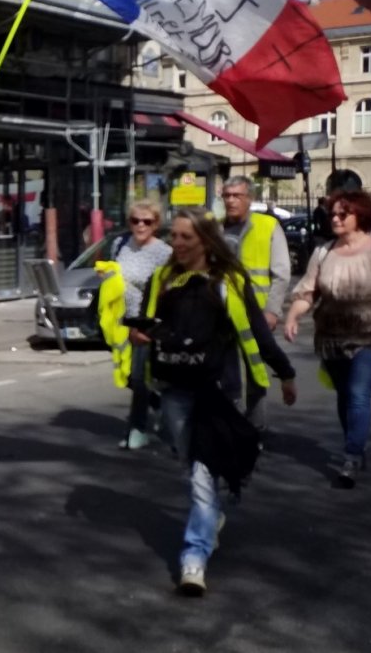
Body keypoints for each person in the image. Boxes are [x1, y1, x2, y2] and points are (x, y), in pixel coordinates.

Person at [130, 207, 296, 595]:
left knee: (203, 478)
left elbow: (257, 332)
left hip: (217, 391)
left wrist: (284, 373)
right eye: (174, 237)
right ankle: (211, 517)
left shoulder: (229, 282)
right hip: (173, 387)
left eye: (186, 237)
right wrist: (142, 336)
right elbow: (147, 322)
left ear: (205, 240)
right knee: (189, 463)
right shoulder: (164, 279)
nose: (177, 243)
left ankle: (194, 558)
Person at [284, 189, 371, 489]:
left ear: (360, 216)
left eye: (343, 214)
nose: (335, 218)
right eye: (332, 213)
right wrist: (293, 316)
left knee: (358, 393)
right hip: (332, 339)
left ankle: (352, 456)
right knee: (346, 397)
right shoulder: (324, 252)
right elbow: (308, 291)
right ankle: (355, 443)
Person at [221, 176, 291, 432]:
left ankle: (255, 428)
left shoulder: (268, 226)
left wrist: (272, 310)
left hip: (257, 313)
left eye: (236, 195)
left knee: (255, 372)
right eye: (227, 196)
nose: (231, 201)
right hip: (224, 313)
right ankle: (232, 426)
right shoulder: (217, 229)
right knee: (226, 374)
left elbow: (282, 273)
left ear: (249, 198)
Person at [112, 199, 172, 449]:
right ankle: (163, 408)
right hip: (120, 322)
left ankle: (136, 430)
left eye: (147, 221)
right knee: (126, 375)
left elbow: (167, 292)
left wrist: (154, 328)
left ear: (156, 223)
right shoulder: (120, 245)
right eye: (135, 220)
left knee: (139, 377)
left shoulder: (164, 253)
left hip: (147, 323)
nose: (140, 226)